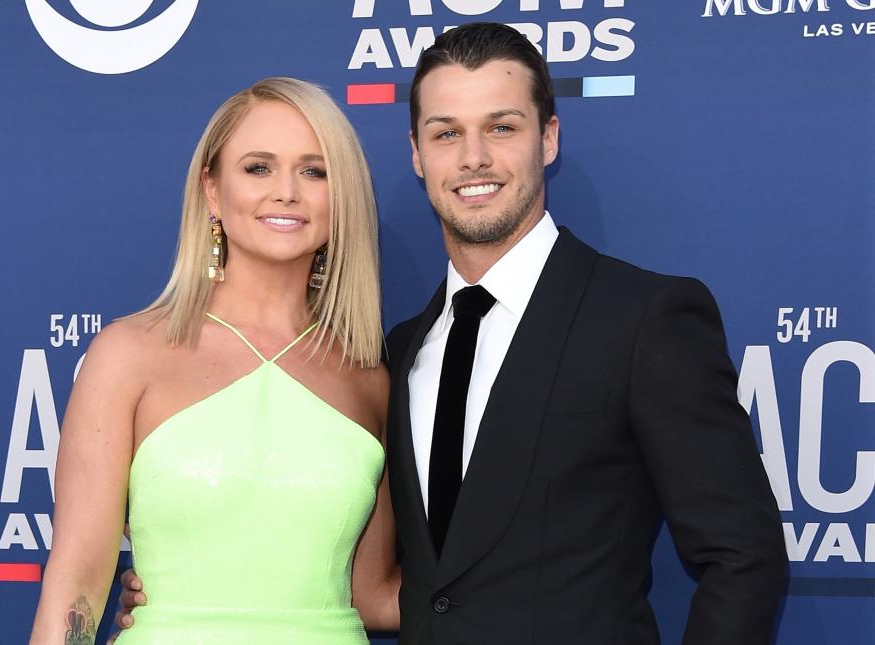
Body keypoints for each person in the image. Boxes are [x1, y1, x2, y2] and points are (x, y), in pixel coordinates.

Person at [117, 23, 788, 644]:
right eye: (445, 133)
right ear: (416, 154)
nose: (473, 158)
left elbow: (743, 557)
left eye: (501, 127)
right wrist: (192, 589)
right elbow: (385, 578)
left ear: (548, 138)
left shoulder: (645, 318)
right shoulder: (397, 353)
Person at [29, 77, 399, 645]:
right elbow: (77, 582)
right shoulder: (128, 355)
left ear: (341, 194)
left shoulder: (370, 379)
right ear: (211, 190)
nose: (286, 192)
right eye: (258, 168)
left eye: (314, 170)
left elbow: (373, 594)